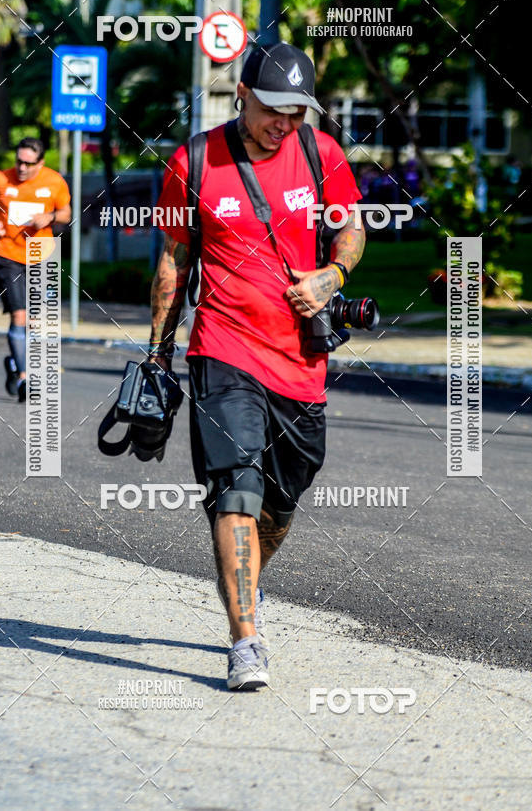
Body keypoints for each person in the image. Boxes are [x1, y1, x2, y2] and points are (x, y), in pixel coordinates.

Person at [148, 42, 366, 690]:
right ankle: (246, 641)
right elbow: (172, 262)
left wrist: (333, 273)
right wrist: (158, 355)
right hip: (223, 348)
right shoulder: (193, 159)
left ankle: (245, 582)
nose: (287, 123)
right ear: (241, 94)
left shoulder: (319, 153)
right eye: (276, 110)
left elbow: (350, 228)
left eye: (299, 112)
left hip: (299, 361)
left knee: (283, 498)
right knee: (235, 491)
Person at [0, 137, 71, 402]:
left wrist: (50, 217)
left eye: (28, 164)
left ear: (40, 163)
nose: (22, 167)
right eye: (19, 161)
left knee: (35, 320)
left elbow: (66, 212)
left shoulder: (54, 182)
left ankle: (14, 363)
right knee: (19, 316)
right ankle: (23, 377)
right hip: (7, 254)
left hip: (41, 254)